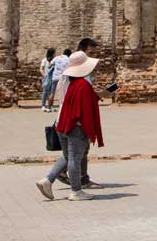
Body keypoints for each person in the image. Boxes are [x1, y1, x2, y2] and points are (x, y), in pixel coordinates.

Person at [36, 50, 104, 201]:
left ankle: (47, 180)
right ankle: (76, 191)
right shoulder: (83, 85)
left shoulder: (69, 82)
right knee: (74, 158)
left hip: (62, 124)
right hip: (75, 126)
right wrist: (89, 131)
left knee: (68, 156)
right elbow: (84, 110)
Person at [40, 48, 57, 112]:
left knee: (51, 93)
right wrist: (44, 75)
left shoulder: (55, 61)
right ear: (52, 53)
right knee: (45, 92)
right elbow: (41, 69)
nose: (55, 54)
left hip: (53, 77)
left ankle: (50, 106)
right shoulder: (44, 60)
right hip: (46, 78)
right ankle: (43, 105)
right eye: (55, 53)